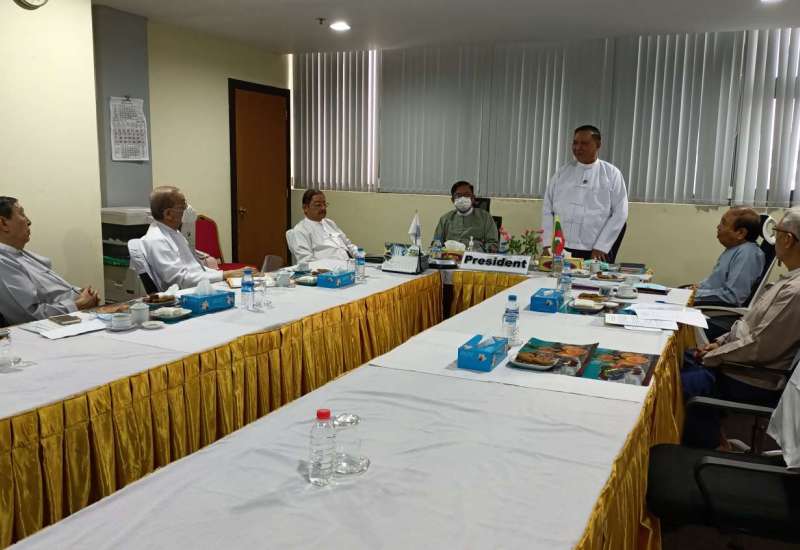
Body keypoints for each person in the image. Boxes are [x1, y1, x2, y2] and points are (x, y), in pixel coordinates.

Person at [682, 208, 800, 448]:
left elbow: (759, 346)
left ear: (787, 239)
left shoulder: (794, 291)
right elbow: (747, 326)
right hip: (742, 361)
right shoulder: (789, 281)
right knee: (679, 358)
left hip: (753, 376)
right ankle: (714, 435)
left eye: (776, 232)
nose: (773, 238)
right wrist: (719, 343)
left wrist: (714, 354)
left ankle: (704, 448)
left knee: (682, 381)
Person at [0, 196, 99, 325]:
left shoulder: (18, 253)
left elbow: (51, 290)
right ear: (3, 223)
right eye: (22, 214)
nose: (28, 221)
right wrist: (78, 305)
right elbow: (30, 316)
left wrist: (80, 293)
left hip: (76, 316)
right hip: (54, 326)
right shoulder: (3, 263)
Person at [541, 125, 628, 261]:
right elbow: (547, 209)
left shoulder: (611, 174)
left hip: (595, 250)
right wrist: (546, 243)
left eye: (584, 143)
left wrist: (602, 246)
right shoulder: (562, 173)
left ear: (598, 145)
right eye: (575, 143)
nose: (578, 147)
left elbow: (620, 213)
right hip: (562, 247)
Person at [140, 186, 244, 290]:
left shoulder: (174, 233)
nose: (187, 209)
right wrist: (225, 275)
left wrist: (227, 274)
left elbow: (197, 269)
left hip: (196, 287)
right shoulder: (157, 240)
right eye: (183, 207)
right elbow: (181, 281)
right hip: (184, 293)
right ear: (168, 214)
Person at [695, 207, 765, 307]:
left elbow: (733, 297)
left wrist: (694, 294)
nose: (718, 227)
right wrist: (696, 288)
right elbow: (715, 282)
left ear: (740, 233)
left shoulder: (748, 254)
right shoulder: (734, 249)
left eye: (723, 223)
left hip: (714, 309)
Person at [290, 189, 356, 263]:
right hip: (327, 268)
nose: (323, 208)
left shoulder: (329, 223)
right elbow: (306, 261)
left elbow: (348, 244)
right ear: (305, 208)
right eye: (318, 205)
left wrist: (361, 255)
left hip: (349, 263)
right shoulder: (301, 230)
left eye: (324, 204)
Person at [432, 181, 499, 252]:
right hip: (450, 256)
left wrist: (489, 248)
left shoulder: (485, 217)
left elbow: (492, 244)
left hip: (475, 256)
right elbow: (437, 243)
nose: (463, 198)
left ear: (473, 198)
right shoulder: (445, 219)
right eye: (458, 195)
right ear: (452, 200)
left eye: (467, 195)